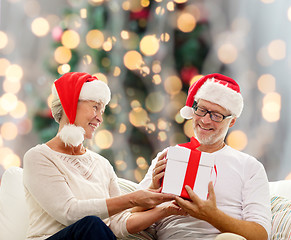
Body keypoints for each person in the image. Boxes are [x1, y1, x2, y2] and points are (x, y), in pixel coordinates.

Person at [23, 72, 185, 240]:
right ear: (70, 103)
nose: (100, 118)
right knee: (92, 225)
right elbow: (69, 213)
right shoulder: (38, 157)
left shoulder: (102, 164)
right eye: (95, 107)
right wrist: (133, 199)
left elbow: (117, 225)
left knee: (96, 227)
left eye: (102, 110)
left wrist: (166, 209)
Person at [139, 73, 272, 240]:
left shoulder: (249, 166)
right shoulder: (168, 156)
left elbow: (261, 235)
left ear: (231, 121)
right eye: (201, 110)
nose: (205, 120)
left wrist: (211, 215)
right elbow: (128, 215)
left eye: (216, 115)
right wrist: (152, 188)